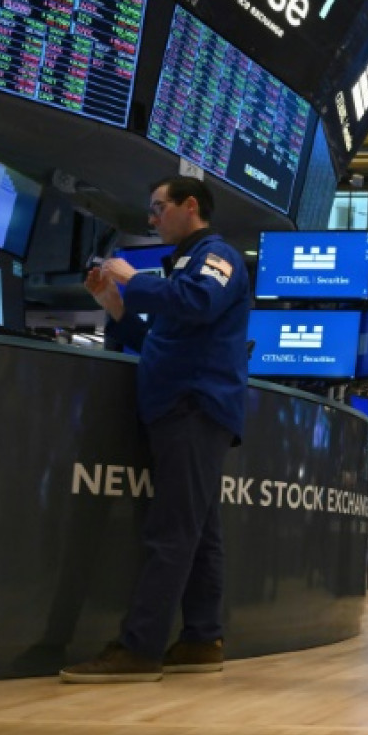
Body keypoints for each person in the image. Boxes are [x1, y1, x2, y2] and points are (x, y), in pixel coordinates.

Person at [61, 176, 251, 683]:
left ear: (191, 205)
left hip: (193, 409)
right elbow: (161, 343)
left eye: (157, 208)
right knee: (199, 532)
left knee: (171, 532)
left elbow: (198, 303)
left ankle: (139, 647)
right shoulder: (182, 267)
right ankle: (201, 639)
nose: (151, 219)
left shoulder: (218, 255)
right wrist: (116, 306)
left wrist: (131, 277)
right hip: (183, 407)